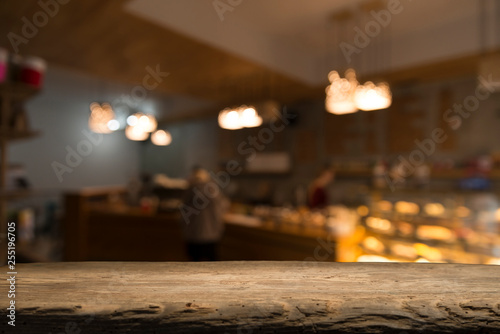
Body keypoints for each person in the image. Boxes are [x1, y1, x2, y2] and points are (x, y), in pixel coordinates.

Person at [181, 166, 226, 261]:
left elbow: (183, 212)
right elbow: (223, 207)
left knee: (193, 264)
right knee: (212, 263)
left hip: (192, 234)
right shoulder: (213, 190)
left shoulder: (189, 190)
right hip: (211, 234)